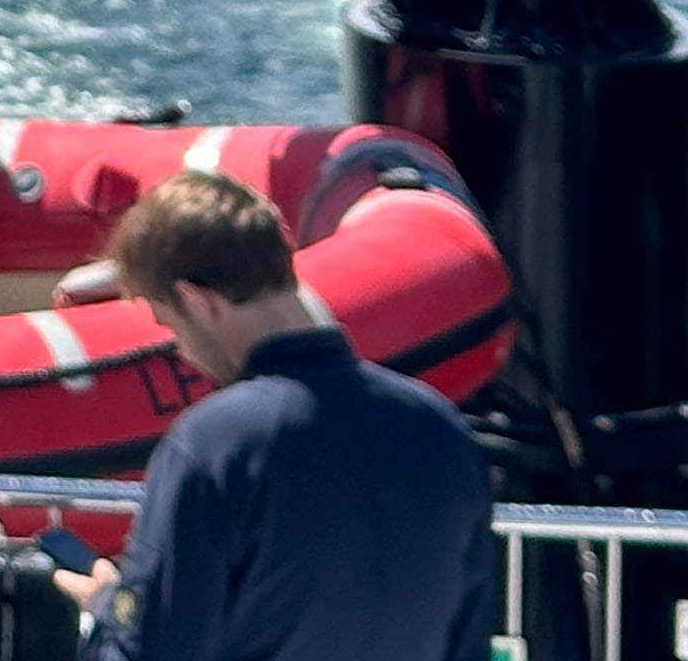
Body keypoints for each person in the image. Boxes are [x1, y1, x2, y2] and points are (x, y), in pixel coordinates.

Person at [74, 171, 501, 659]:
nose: (184, 353)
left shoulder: (213, 445)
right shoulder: (442, 430)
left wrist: (106, 615)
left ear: (197, 301)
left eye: (171, 327)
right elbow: (469, 641)